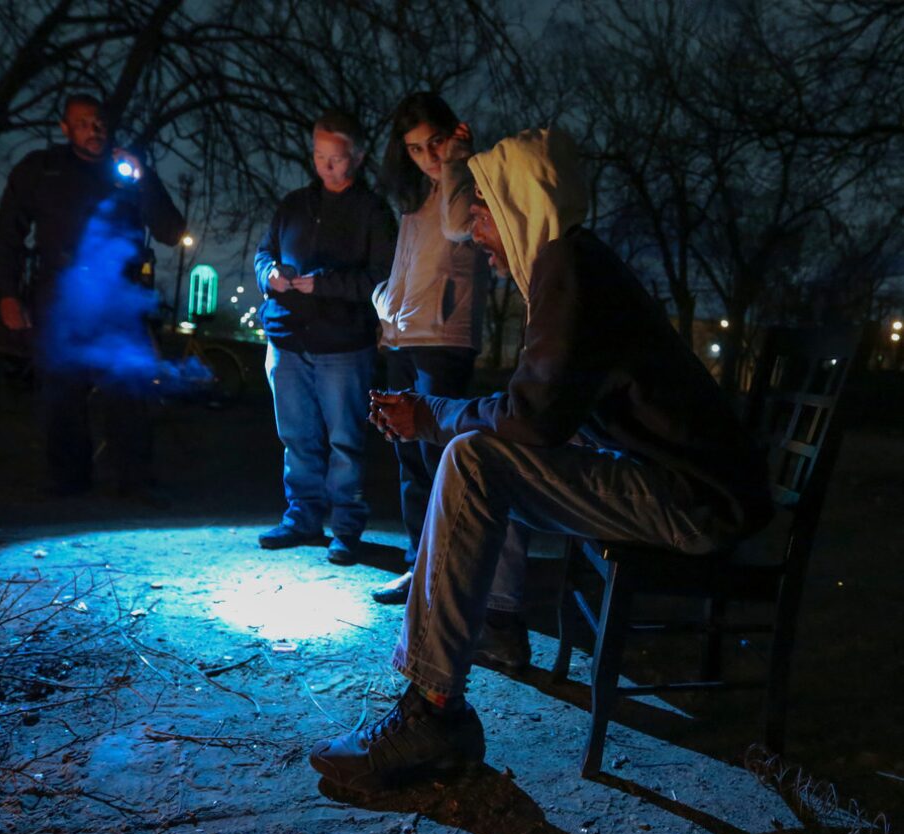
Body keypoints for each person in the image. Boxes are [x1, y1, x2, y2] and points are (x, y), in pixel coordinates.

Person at [308, 127, 773, 792]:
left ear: (521, 206)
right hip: (682, 480)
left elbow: (530, 419)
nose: (476, 234)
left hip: (694, 500)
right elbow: (541, 407)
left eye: (484, 212)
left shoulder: (569, 271)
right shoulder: (572, 266)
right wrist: (443, 415)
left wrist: (436, 416)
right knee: (484, 452)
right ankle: (469, 655)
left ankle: (432, 709)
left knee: (475, 461)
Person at [0, 93, 186, 498]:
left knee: (128, 387)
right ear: (65, 129)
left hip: (119, 296)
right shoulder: (41, 170)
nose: (93, 130)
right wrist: (8, 294)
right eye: (82, 123)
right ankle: (68, 481)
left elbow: (170, 231)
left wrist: (144, 177)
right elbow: (7, 235)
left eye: (98, 122)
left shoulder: (127, 173)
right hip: (60, 294)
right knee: (61, 390)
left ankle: (134, 480)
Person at [254, 110, 397, 566]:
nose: (326, 167)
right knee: (296, 435)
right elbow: (263, 252)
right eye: (319, 156)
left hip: (344, 346)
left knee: (344, 440)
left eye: (336, 159)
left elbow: (382, 278)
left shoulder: (372, 211)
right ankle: (302, 518)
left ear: (356, 156)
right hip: (287, 338)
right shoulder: (294, 204)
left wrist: (325, 283)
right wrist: (270, 275)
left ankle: (348, 526)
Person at [369, 93, 489, 605]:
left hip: (444, 338)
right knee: (409, 459)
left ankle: (446, 572)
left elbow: (458, 228)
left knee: (438, 454)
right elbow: (404, 264)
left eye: (434, 143)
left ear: (455, 133)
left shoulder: (475, 179)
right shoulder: (414, 195)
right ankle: (419, 566)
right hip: (401, 335)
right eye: (415, 149)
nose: (427, 157)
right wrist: (385, 310)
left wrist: (459, 160)